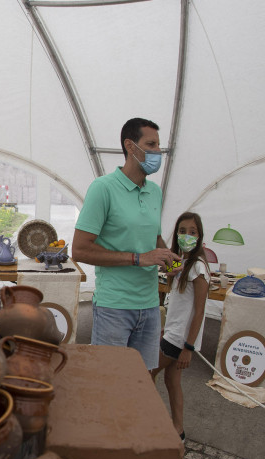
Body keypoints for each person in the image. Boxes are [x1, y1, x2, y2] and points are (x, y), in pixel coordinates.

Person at [72, 117, 180, 370]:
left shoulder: (154, 191)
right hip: (114, 306)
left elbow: (153, 237)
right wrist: (138, 258)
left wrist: (168, 258)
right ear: (130, 146)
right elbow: (79, 249)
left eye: (159, 146)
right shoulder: (103, 188)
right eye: (151, 144)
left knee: (141, 380)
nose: (158, 152)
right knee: (109, 380)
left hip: (151, 305)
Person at [151, 212, 210, 441]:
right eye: (183, 231)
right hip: (174, 333)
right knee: (171, 380)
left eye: (192, 232)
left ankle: (150, 422)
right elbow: (176, 298)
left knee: (148, 372)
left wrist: (188, 347)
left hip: (180, 339)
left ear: (200, 236)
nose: (187, 235)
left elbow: (199, 311)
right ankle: (178, 430)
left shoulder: (198, 267)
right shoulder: (182, 262)